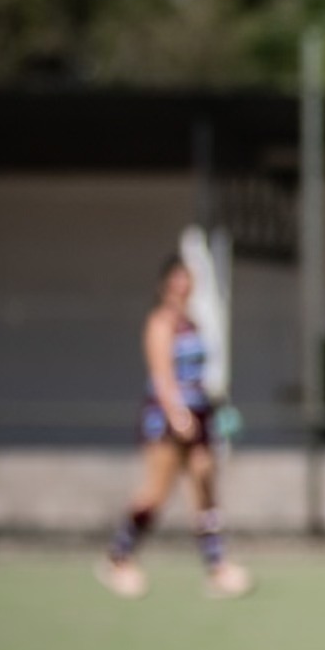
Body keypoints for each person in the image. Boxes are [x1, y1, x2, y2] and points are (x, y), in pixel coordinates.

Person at [97, 255, 253, 600]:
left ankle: (217, 567)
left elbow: (202, 377)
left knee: (204, 485)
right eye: (178, 280)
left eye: (188, 280)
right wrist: (176, 413)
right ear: (165, 284)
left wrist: (215, 410)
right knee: (155, 492)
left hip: (200, 416)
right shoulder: (160, 322)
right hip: (167, 420)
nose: (183, 286)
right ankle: (118, 558)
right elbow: (162, 375)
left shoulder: (192, 323)